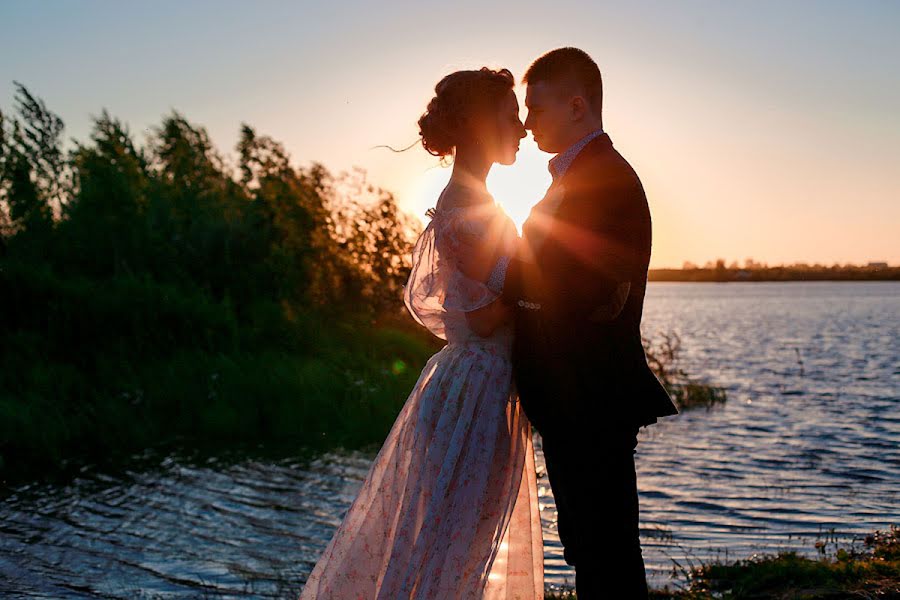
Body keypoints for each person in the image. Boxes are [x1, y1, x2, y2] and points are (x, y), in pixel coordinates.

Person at [299, 67, 543, 600]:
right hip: (476, 391)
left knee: (460, 546)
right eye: (510, 117)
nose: (522, 128)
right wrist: (540, 291)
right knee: (452, 549)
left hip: (484, 385)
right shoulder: (464, 211)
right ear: (481, 126)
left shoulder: (473, 200)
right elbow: (480, 316)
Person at [466, 47, 679, 598]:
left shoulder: (602, 179)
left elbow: (579, 281)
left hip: (590, 394)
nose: (527, 121)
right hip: (574, 397)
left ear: (578, 106)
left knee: (603, 545)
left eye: (536, 108)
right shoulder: (575, 176)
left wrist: (507, 286)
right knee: (591, 542)